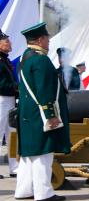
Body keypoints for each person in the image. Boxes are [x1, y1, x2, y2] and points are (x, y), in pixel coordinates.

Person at [15, 22, 71, 201]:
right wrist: (51, 115)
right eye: (47, 39)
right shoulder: (40, 59)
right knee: (42, 153)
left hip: (27, 113)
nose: (48, 42)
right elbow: (44, 90)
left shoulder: (26, 56)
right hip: (40, 114)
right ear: (40, 39)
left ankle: (23, 191)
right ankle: (43, 193)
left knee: (28, 153)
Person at [0, 29, 19, 179]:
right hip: (1, 99)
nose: (10, 43)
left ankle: (14, 167)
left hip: (10, 99)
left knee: (12, 134)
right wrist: (16, 88)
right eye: (6, 41)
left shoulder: (5, 59)